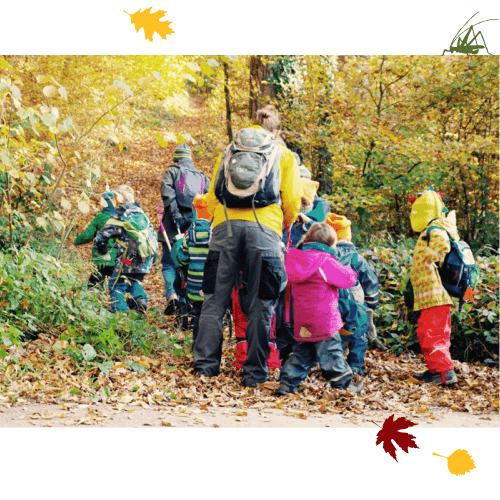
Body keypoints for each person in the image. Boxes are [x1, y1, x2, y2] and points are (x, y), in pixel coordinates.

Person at [193, 104, 302, 387]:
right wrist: (282, 222)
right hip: (264, 230)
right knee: (261, 304)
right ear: (276, 130)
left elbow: (213, 194)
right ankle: (254, 374)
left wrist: (219, 219)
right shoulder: (284, 154)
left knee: (214, 301)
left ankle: (205, 368)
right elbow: (292, 200)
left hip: (224, 227)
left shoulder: (230, 149)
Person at [277, 223, 363, 395]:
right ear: (331, 243)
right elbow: (349, 279)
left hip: (301, 319)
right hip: (325, 320)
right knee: (332, 353)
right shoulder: (325, 261)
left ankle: (287, 383)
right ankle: (344, 384)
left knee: (303, 352)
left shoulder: (295, 259)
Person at [409, 187, 458, 385]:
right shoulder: (430, 229)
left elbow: (442, 244)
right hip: (430, 296)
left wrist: (430, 258)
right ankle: (436, 369)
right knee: (428, 332)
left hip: (434, 296)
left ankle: (443, 373)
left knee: (432, 333)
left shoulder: (435, 229)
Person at [159, 143, 210, 316]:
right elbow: (209, 199)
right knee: (189, 264)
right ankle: (188, 303)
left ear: (176, 158)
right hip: (196, 225)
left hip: (173, 226)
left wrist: (176, 218)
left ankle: (173, 296)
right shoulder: (202, 176)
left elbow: (168, 195)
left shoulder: (171, 172)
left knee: (169, 263)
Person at [326, 213, 380, 378]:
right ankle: (355, 366)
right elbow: (370, 281)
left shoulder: (328, 256)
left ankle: (338, 365)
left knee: (338, 334)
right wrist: (372, 303)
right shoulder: (357, 258)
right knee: (359, 335)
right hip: (356, 305)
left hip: (333, 303)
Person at [95, 185, 158, 314]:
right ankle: (140, 300)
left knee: (115, 285)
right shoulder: (141, 214)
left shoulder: (120, 215)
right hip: (146, 257)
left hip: (128, 257)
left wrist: (103, 252)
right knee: (133, 280)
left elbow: (102, 236)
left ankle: (122, 316)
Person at [176, 194, 212, 343]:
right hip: (211, 283)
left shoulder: (189, 233)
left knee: (197, 313)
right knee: (211, 315)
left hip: (194, 282)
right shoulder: (216, 232)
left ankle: (197, 346)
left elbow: (182, 257)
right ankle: (208, 346)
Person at [74, 191, 117, 289]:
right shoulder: (122, 218)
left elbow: (87, 235)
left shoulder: (100, 217)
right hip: (116, 258)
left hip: (101, 258)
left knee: (95, 284)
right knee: (119, 285)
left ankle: (95, 301)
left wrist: (76, 241)